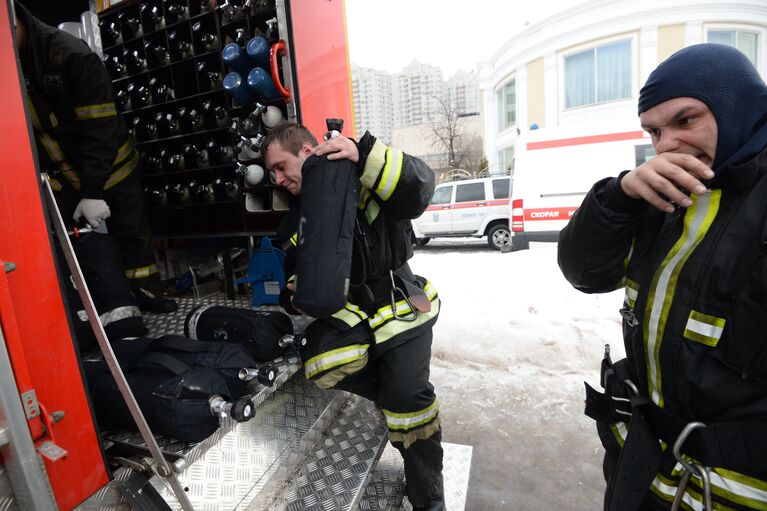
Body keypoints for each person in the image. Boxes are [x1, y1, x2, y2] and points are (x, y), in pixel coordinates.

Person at [558, 43, 767, 511]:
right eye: (654, 131)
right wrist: (619, 197)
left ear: (738, 107)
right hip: (644, 471)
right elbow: (586, 273)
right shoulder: (663, 198)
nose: (666, 142)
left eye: (685, 120)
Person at [263, 122, 444, 510]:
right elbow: (297, 273)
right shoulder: (298, 220)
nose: (277, 179)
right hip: (355, 317)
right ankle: (388, 394)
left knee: (410, 404)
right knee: (321, 361)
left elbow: (421, 187)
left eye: (280, 167)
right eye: (272, 173)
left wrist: (366, 156)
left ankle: (429, 499)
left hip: (398, 305)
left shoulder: (362, 177)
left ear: (308, 152)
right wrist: (294, 293)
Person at [13, 2, 176, 313]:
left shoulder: (69, 55)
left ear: (14, 22)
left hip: (112, 168)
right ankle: (103, 303)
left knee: (132, 239)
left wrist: (92, 191)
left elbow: (99, 128)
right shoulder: (14, 65)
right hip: (63, 178)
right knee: (75, 248)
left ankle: (148, 297)